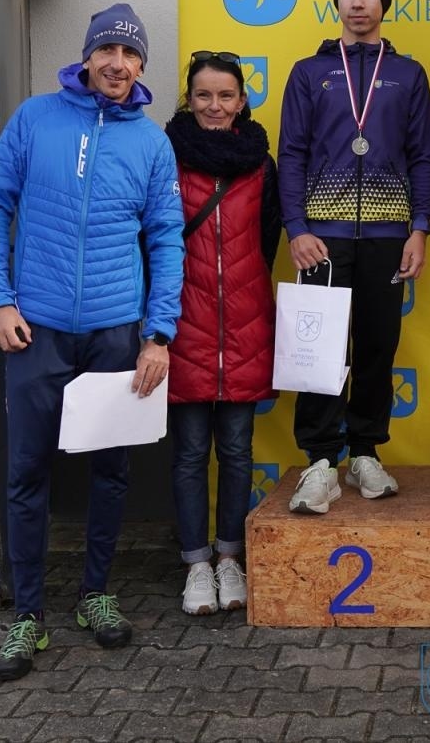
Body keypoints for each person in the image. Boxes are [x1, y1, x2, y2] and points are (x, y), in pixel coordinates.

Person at [0, 3, 183, 682]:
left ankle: (95, 592)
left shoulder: (151, 142)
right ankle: (28, 614)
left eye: (131, 55)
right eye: (108, 52)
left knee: (111, 471)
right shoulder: (35, 119)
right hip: (35, 328)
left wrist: (158, 334)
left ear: (142, 68)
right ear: (87, 57)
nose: (118, 64)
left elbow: (166, 238)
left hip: (117, 331)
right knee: (28, 470)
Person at [277, 0, 430, 515]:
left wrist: (419, 229)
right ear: (337, 2)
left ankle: (365, 451)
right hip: (322, 232)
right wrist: (295, 227)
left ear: (384, 3)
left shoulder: (409, 74)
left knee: (376, 345)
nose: (358, 2)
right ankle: (320, 461)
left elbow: (423, 155)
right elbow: (291, 153)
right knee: (318, 349)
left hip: (389, 233)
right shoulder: (308, 73)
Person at [164, 51, 280, 615]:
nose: (215, 106)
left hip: (245, 325)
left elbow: (269, 241)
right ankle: (196, 564)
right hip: (181, 324)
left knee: (236, 450)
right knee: (188, 453)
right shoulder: (164, 157)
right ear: (189, 99)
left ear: (242, 101)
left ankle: (231, 558)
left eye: (226, 95)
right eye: (204, 95)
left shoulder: (262, 163)